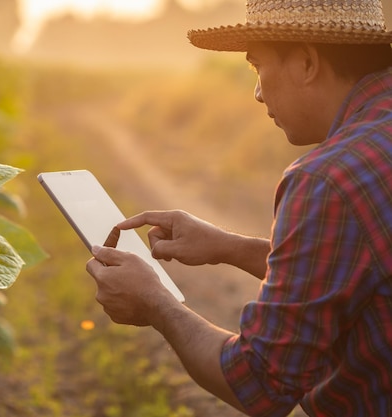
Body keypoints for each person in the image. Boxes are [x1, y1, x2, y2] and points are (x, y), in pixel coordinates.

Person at [85, 0, 392, 416]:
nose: (258, 91)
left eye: (257, 66)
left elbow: (260, 382)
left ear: (306, 62)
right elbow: (365, 271)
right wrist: (231, 247)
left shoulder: (328, 179)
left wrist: (156, 303)